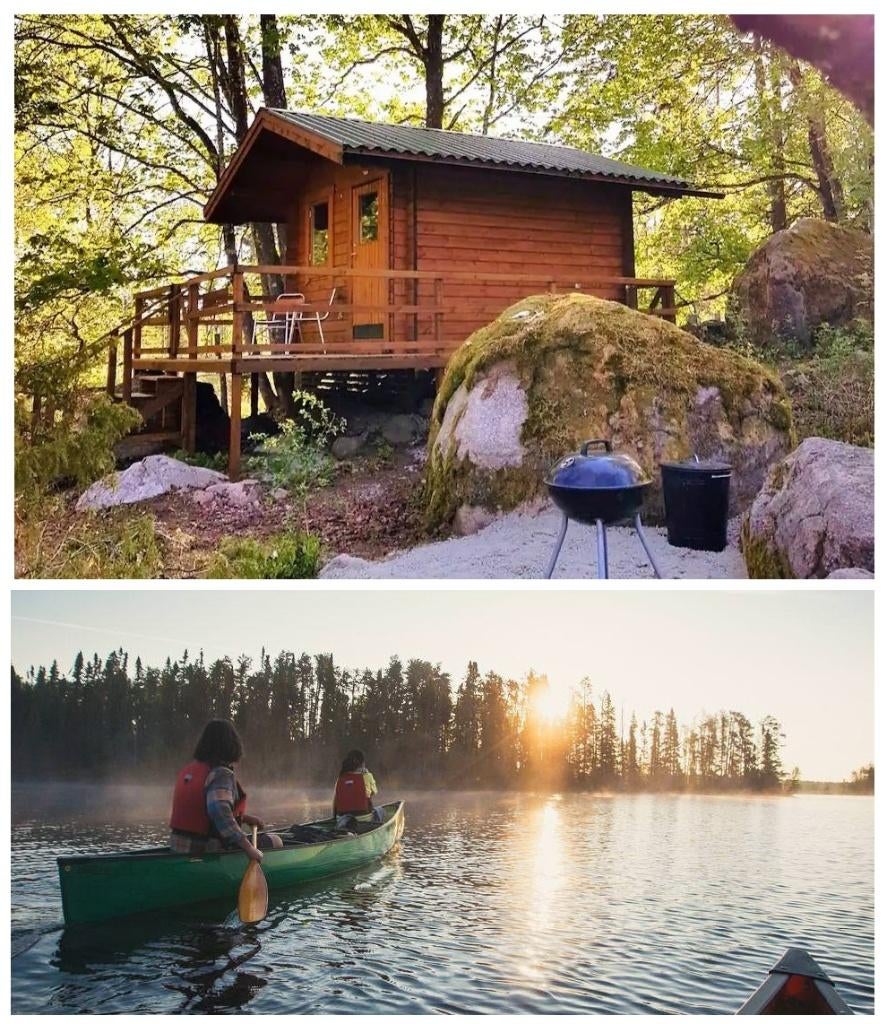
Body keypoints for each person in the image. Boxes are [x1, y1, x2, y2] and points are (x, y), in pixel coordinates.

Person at [169, 719, 283, 859]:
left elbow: (207, 809)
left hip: (178, 848)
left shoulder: (190, 771)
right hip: (205, 850)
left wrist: (245, 818)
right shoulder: (221, 774)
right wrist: (249, 848)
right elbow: (219, 813)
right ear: (231, 744)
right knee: (276, 840)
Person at [333, 749, 384, 828]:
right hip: (363, 818)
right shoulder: (367, 776)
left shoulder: (340, 778)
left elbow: (335, 802)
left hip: (342, 819)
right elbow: (374, 792)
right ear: (362, 763)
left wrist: (334, 819)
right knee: (380, 810)